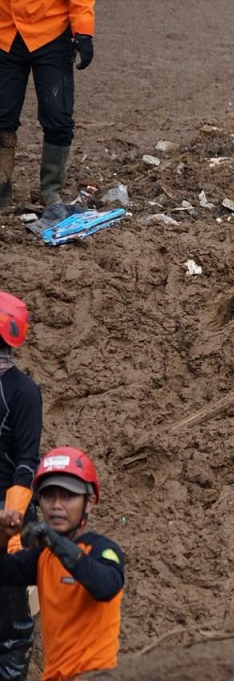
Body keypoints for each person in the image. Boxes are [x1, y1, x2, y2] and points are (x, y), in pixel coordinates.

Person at [0, 446, 124, 680]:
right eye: (49, 496)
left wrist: (55, 542)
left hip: (96, 676)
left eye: (68, 496)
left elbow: (106, 586)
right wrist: (3, 537)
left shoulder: (103, 550)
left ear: (90, 501)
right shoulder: (42, 557)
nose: (57, 505)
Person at [0, 0, 95, 207]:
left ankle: (50, 192)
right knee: (2, 117)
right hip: (6, 32)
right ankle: (1, 187)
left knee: (58, 117)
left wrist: (83, 31)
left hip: (51, 34)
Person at [0, 290, 41, 681]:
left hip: (7, 510)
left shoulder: (23, 393)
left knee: (11, 616)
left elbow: (26, 461)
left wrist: (11, 524)